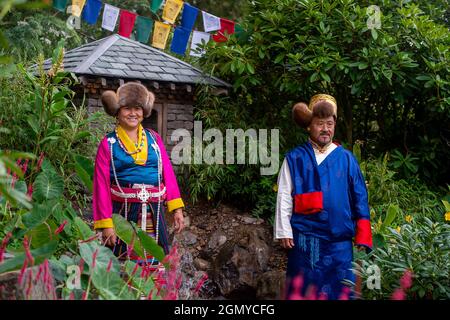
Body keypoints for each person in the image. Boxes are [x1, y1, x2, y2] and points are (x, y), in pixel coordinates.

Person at [274, 94, 372, 300]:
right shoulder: (295, 158)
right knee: (302, 292)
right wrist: (284, 230)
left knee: (341, 293)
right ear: (309, 126)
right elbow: (284, 195)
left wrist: (362, 233)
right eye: (320, 124)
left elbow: (360, 196)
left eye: (329, 124)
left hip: (339, 244)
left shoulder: (346, 159)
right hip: (305, 242)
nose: (325, 129)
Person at [92, 82, 185, 269]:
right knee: (125, 264)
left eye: (137, 108)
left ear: (144, 111)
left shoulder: (154, 139)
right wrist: (106, 224)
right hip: (124, 213)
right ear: (117, 111)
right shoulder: (108, 144)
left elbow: (167, 171)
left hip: (154, 212)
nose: (133, 113)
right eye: (127, 108)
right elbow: (100, 185)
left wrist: (176, 209)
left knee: (156, 262)